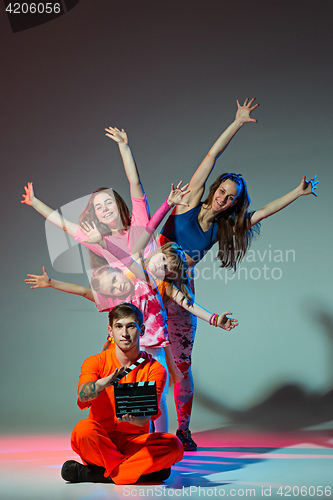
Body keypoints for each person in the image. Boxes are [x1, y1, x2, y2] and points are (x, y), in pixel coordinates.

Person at [157, 98, 319, 450]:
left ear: (234, 203)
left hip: (182, 290)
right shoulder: (188, 201)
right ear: (214, 189)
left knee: (181, 366)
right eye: (222, 191)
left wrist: (298, 191)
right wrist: (237, 123)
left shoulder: (222, 228)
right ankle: (135, 426)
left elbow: (262, 214)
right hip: (153, 281)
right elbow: (210, 157)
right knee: (137, 352)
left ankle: (182, 430)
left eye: (231, 198)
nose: (224, 199)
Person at [61, 303, 184, 485]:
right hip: (100, 442)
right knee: (82, 430)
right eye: (119, 326)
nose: (124, 333)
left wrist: (133, 418)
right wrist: (104, 382)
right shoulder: (95, 362)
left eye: (131, 326)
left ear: (141, 330)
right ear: (110, 331)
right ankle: (137, 471)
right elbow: (83, 395)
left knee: (174, 445)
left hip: (134, 444)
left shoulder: (155, 369)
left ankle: (94, 474)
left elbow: (145, 419)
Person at [21, 128, 156, 272]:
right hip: (141, 294)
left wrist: (124, 147)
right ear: (96, 216)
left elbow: (134, 182)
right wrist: (35, 203)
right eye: (98, 207)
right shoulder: (97, 240)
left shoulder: (140, 221)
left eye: (108, 202)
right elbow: (64, 224)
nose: (104, 209)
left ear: (119, 205)